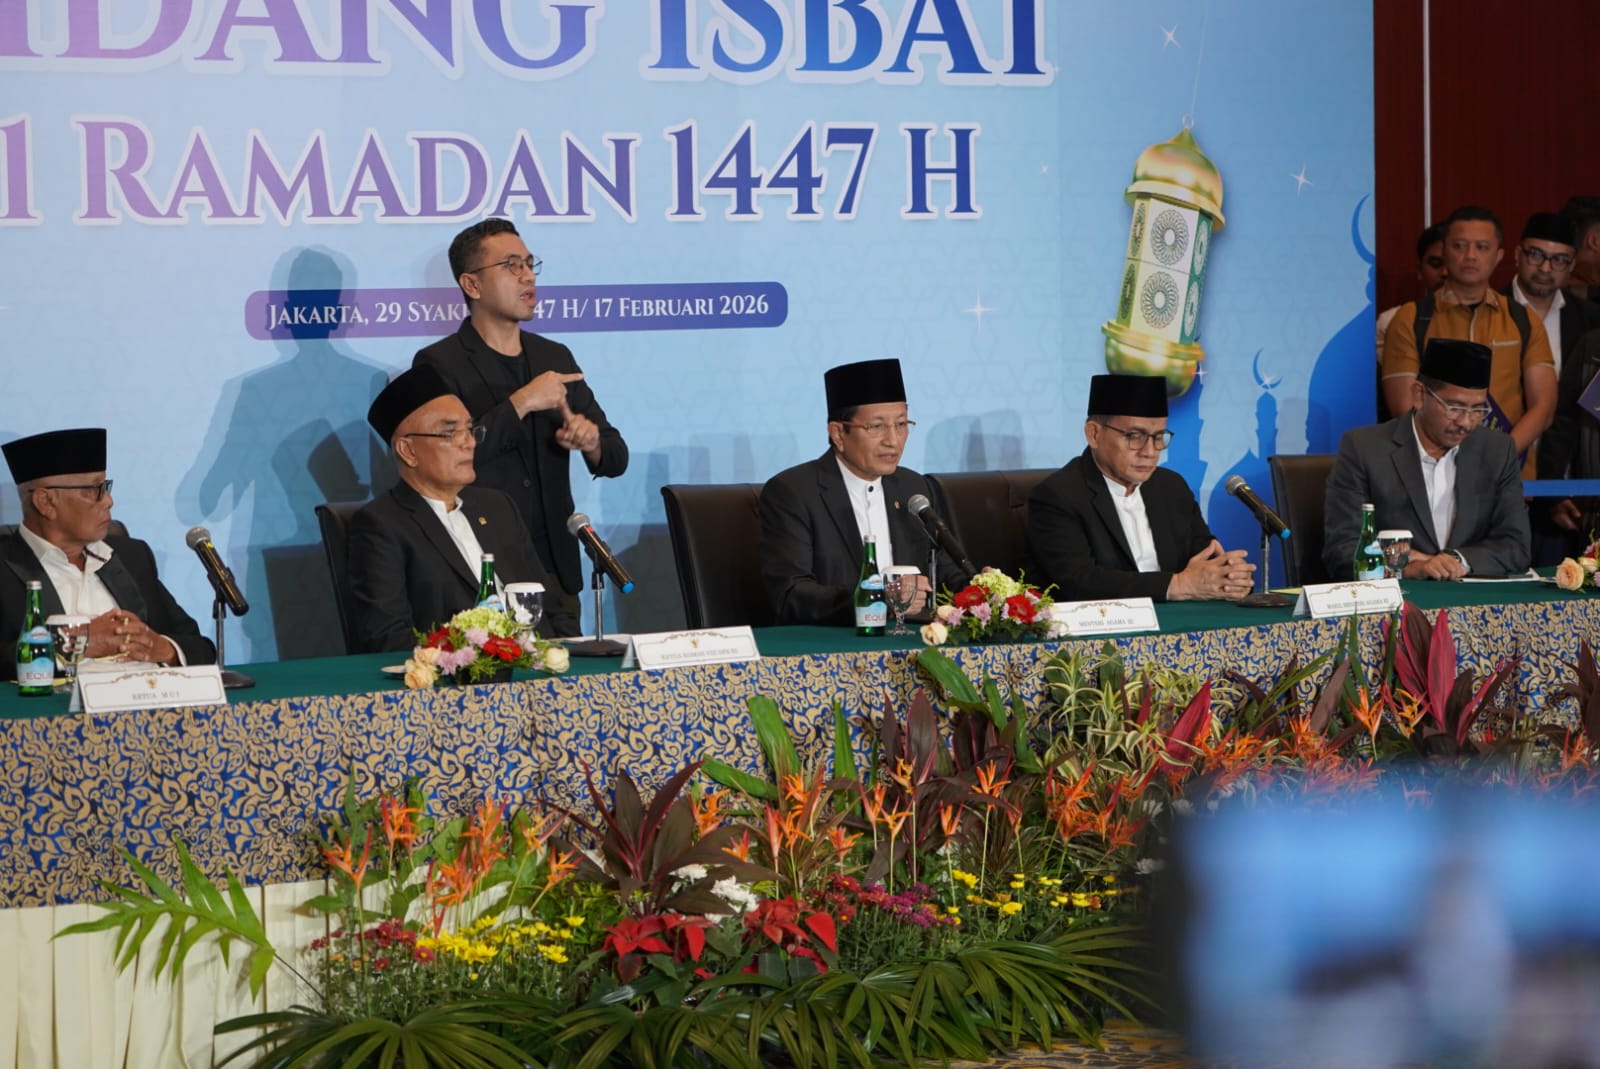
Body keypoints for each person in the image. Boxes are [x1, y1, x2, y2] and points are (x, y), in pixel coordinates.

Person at [414, 218, 627, 618]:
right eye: (512, 266)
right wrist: (521, 403)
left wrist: (591, 442)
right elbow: (443, 462)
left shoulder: (554, 357)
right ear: (472, 284)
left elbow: (616, 458)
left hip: (555, 572)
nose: (528, 276)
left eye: (530, 264)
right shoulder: (439, 364)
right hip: (483, 569)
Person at [347, 366, 577, 653]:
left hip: (541, 665)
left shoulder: (498, 507)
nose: (468, 442)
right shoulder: (382, 524)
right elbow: (388, 638)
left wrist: (574, 657)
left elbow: (553, 609)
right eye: (450, 433)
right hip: (464, 673)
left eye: (469, 429)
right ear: (408, 450)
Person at [758, 358, 970, 625]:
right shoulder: (793, 493)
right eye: (876, 427)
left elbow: (946, 572)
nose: (893, 440)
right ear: (838, 433)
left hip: (910, 639)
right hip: (835, 642)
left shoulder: (913, 487)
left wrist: (982, 590)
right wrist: (880, 598)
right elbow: (790, 594)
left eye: (901, 424)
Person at [1, 428, 215, 676]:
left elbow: (200, 647)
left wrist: (163, 649)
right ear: (46, 502)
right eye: (94, 489)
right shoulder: (5, 567)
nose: (108, 501)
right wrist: (77, 643)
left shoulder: (131, 556)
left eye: (105, 486)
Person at [1024, 373, 1254, 601]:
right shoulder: (1059, 495)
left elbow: (1205, 557)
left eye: (1159, 437)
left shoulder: (1171, 487)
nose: (1150, 452)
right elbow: (1080, 582)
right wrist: (1176, 585)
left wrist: (1229, 578)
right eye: (1135, 436)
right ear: (1094, 434)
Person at [1325, 340, 1530, 580]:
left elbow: (1517, 545)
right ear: (1420, 395)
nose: (1466, 423)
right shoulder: (1364, 449)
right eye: (1454, 408)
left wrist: (1455, 560)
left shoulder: (1497, 450)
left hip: (1470, 596)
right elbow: (1342, 549)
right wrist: (1406, 568)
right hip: (1401, 598)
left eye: (1477, 410)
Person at [1381, 205, 1556, 464]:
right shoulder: (1411, 319)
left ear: (1499, 256)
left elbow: (1544, 407)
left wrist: (1499, 456)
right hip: (1433, 470)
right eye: (1459, 246)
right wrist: (1453, 462)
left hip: (1508, 471)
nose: (1470, 256)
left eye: (1482, 247)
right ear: (1444, 250)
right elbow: (1405, 407)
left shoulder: (1523, 319)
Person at [1504, 212, 1600, 378]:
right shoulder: (1488, 310)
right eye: (1535, 255)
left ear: (1572, 265)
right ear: (1518, 254)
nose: (1545, 268)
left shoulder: (1591, 318)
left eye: (1559, 260)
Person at [1375, 222, 1447, 365]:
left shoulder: (1489, 319)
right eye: (1436, 264)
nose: (1445, 272)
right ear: (1419, 270)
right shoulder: (1390, 322)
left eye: (1452, 264)